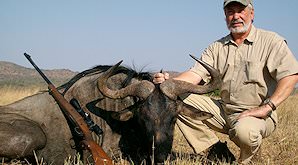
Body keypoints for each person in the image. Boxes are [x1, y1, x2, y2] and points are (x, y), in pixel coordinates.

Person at [153, 0, 298, 164]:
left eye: (241, 11)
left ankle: (247, 158)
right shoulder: (216, 47)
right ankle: (216, 151)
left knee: (245, 132)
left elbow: (291, 75)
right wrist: (168, 81)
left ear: (252, 13)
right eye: (230, 12)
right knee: (174, 99)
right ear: (225, 16)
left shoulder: (271, 41)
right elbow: (195, 75)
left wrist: (267, 107)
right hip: (224, 110)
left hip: (258, 114)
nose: (236, 16)